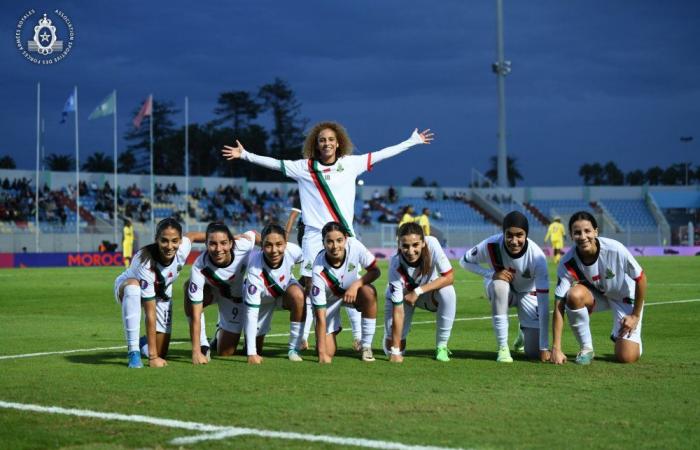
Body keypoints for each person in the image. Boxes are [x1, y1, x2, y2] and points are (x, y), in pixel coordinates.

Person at [223, 122, 433, 354]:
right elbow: (275, 163)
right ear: (316, 143)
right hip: (314, 237)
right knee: (311, 287)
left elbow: (382, 154)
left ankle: (362, 341)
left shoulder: (351, 164)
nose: (327, 143)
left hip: (344, 235)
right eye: (322, 140)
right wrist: (245, 155)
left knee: (350, 284)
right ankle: (303, 339)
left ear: (338, 142)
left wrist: (411, 142)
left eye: (331, 139)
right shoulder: (304, 167)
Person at [550, 211, 647, 365]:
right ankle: (586, 349)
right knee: (573, 295)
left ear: (596, 231)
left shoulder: (615, 249)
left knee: (626, 357)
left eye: (587, 231)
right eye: (577, 232)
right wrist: (556, 347)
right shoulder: (567, 262)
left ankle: (622, 338)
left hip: (625, 298)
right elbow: (559, 305)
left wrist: (635, 316)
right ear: (570, 235)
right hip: (600, 295)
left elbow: (641, 279)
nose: (583, 237)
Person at [460, 211, 550, 363]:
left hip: (528, 293)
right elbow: (464, 261)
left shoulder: (537, 257)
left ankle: (524, 332)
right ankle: (503, 348)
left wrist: (544, 347)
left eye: (519, 235)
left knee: (534, 353)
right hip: (500, 289)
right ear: (503, 233)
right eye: (509, 235)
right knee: (499, 285)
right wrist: (491, 274)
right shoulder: (491, 245)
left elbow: (544, 301)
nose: (514, 241)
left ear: (526, 234)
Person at [113, 218, 201, 368]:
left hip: (161, 294)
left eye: (174, 241)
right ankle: (133, 352)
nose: (169, 246)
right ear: (156, 240)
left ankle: (144, 343)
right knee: (133, 288)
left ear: (180, 241)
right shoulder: (145, 262)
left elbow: (192, 236)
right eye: (164, 241)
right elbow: (150, 313)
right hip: (129, 288)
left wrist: (224, 237)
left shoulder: (182, 249)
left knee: (162, 351)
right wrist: (153, 358)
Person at [183, 222, 258, 364]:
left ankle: (219, 333)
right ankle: (204, 344)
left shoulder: (243, 245)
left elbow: (256, 236)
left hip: (232, 297)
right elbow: (196, 313)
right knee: (188, 288)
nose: (218, 249)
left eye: (223, 243)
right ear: (206, 244)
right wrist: (197, 350)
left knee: (226, 352)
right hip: (210, 292)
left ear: (231, 243)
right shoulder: (199, 267)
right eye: (212, 244)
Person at [384, 222, 456, 363]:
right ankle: (396, 341)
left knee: (448, 292)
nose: (410, 251)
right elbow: (398, 310)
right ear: (399, 245)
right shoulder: (395, 265)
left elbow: (449, 277)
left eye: (415, 245)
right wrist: (395, 351)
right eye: (405, 246)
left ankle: (441, 346)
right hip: (404, 297)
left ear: (423, 242)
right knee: (391, 348)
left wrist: (418, 291)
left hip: (427, 294)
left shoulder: (432, 244)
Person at [311, 222, 380, 363]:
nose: (335, 246)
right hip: (329, 302)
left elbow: (375, 270)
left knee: (369, 292)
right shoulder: (318, 270)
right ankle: (333, 330)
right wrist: (322, 353)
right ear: (323, 243)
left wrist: (356, 285)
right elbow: (320, 314)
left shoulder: (355, 246)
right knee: (328, 353)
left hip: (352, 293)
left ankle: (366, 346)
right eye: (329, 241)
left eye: (339, 240)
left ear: (346, 239)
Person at [242, 224, 306, 364]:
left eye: (279, 244)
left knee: (298, 295)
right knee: (245, 349)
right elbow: (251, 313)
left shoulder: (293, 250)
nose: (274, 250)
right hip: (261, 303)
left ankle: (293, 348)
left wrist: (302, 284)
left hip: (283, 295)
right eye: (268, 245)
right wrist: (251, 354)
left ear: (286, 243)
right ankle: (221, 333)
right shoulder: (254, 270)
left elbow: (308, 263)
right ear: (262, 245)